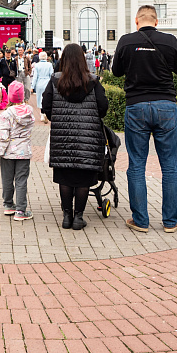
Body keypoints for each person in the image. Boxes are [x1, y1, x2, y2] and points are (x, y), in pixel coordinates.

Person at [111, 5, 177, 234]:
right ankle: (170, 221)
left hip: (136, 105)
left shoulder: (126, 41)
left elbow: (116, 72)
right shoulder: (169, 40)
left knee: (136, 164)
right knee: (170, 165)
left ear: (137, 21)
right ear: (156, 21)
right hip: (166, 105)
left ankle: (141, 220)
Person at [42, 43, 109, 231]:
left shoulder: (55, 81)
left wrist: (56, 119)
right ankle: (78, 217)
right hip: (88, 138)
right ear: (82, 60)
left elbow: (46, 105)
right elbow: (103, 107)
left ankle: (66, 216)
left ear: (63, 60)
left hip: (62, 137)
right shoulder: (94, 82)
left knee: (65, 176)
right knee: (82, 177)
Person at [0, 81, 35, 221]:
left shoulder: (6, 114)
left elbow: (4, 136)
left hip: (8, 153)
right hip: (24, 152)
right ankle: (21, 210)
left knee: (7, 179)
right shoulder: (29, 112)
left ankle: (8, 204)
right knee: (21, 180)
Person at [30, 50, 54, 123]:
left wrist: (32, 86)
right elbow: (51, 75)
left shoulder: (37, 65)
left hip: (39, 83)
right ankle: (46, 113)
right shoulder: (49, 65)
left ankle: (42, 113)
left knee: (40, 98)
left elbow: (35, 77)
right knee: (47, 98)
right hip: (47, 82)